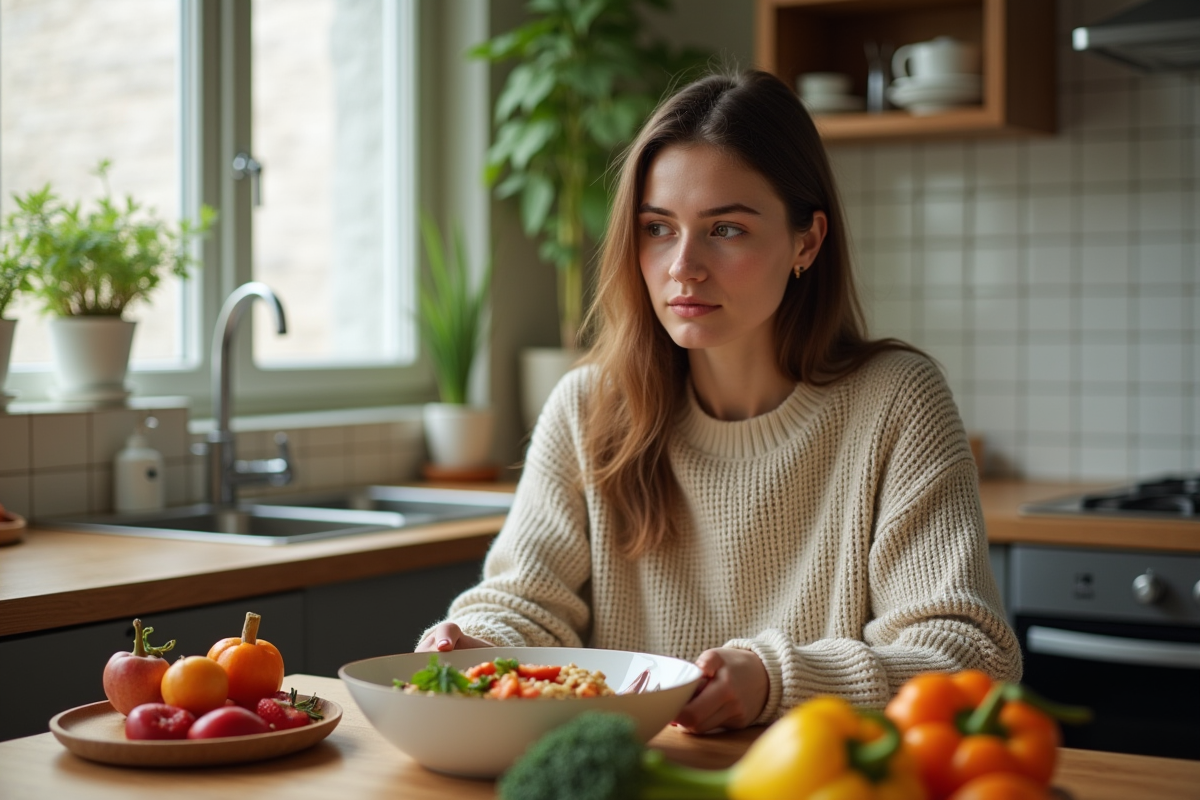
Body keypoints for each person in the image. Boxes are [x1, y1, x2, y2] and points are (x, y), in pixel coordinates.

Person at [417, 70, 1021, 734]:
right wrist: (479, 642)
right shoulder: (588, 405)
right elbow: (525, 604)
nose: (683, 266)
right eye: (658, 228)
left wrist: (774, 680)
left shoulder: (897, 401)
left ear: (806, 242)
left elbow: (972, 661)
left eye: (725, 229)